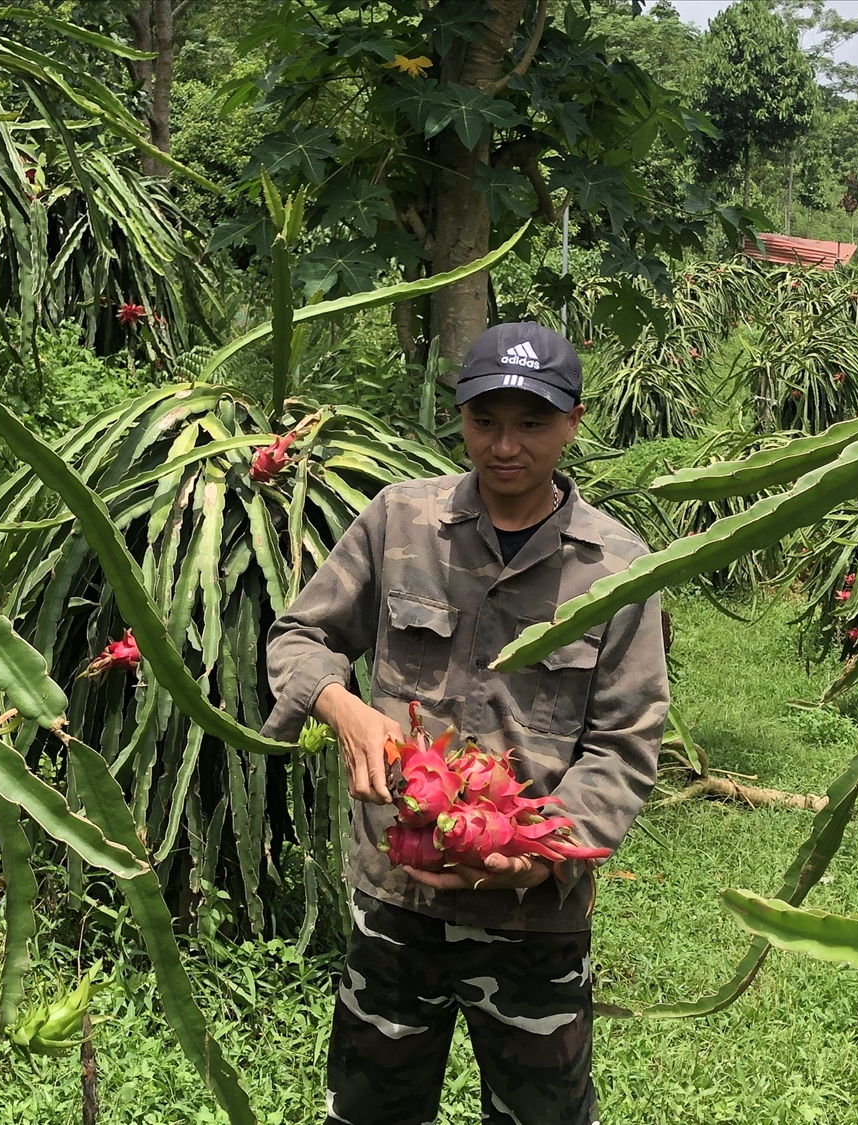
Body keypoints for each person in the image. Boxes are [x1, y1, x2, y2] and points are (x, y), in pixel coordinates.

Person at [261, 322, 669, 1125]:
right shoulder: (398, 522)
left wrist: (537, 856)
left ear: (574, 422)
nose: (505, 446)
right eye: (486, 421)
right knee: (371, 1111)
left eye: (532, 423)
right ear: (461, 417)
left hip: (534, 920)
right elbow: (298, 634)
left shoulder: (619, 569)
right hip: (395, 898)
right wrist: (339, 703)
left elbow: (626, 743)